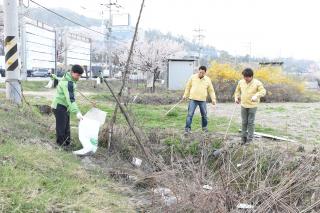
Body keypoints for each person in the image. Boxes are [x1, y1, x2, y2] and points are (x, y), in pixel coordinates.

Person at [51, 65, 84, 147]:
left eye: (80, 76)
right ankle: (61, 146)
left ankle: (67, 144)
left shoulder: (68, 78)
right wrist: (77, 112)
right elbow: (70, 99)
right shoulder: (68, 83)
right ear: (72, 72)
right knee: (61, 128)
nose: (78, 78)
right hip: (59, 107)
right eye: (77, 75)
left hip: (65, 107)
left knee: (66, 127)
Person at [234, 68, 266, 145]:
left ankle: (250, 139)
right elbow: (237, 91)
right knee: (244, 122)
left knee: (250, 122)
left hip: (253, 106)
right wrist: (236, 98)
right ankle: (243, 138)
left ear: (251, 76)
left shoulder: (257, 83)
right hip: (243, 105)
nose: (245, 79)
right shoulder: (241, 82)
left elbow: (263, 91)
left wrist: (256, 96)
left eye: (247, 77)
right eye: (244, 77)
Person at [183, 66, 216, 134]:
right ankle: (187, 129)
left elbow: (211, 90)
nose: (201, 74)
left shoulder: (207, 79)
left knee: (204, 115)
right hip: (193, 99)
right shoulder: (192, 77)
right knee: (190, 114)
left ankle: (204, 128)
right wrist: (185, 95)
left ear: (205, 73)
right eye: (200, 72)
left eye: (203, 73)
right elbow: (188, 87)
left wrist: (213, 99)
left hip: (202, 100)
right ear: (198, 71)